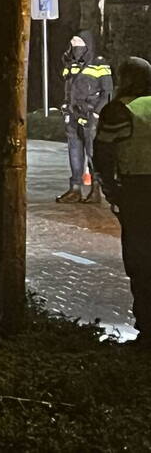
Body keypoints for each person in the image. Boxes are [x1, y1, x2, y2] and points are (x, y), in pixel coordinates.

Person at [93, 57, 151, 345]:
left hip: (138, 191)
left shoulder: (119, 110)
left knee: (141, 261)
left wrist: (111, 191)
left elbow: (103, 154)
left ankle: (147, 327)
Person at [57, 30, 113, 203]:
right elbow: (69, 88)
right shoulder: (72, 64)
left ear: (87, 45)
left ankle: (96, 190)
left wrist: (96, 113)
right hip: (73, 114)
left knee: (92, 153)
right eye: (72, 44)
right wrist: (66, 106)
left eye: (78, 44)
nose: (75, 47)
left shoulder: (99, 64)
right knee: (74, 151)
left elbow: (107, 93)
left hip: (91, 115)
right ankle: (75, 189)